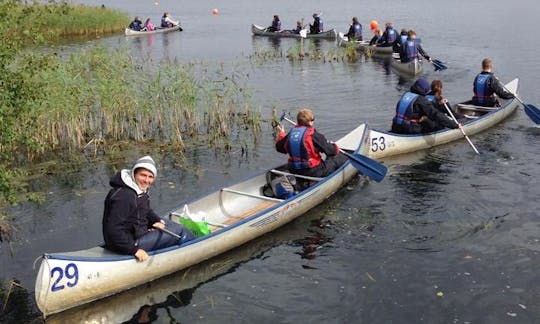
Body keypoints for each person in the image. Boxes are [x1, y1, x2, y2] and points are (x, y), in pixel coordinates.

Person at [102, 156, 195, 262]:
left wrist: (155, 221)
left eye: (150, 177)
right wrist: (134, 250)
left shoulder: (135, 188)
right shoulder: (125, 196)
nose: (146, 180)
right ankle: (198, 246)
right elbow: (113, 230)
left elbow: (145, 210)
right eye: (143, 175)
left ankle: (177, 245)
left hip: (133, 234)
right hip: (128, 243)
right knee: (180, 230)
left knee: (166, 223)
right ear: (134, 173)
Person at [275, 109, 347, 178]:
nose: (313, 122)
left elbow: (279, 148)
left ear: (298, 122)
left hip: (294, 170)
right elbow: (332, 151)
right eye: (313, 120)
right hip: (313, 171)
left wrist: (281, 134)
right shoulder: (313, 135)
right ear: (310, 122)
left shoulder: (290, 134)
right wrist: (335, 146)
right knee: (335, 158)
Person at [391, 78, 460, 134]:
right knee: (438, 124)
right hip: (409, 129)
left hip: (395, 126)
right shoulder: (421, 100)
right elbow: (436, 114)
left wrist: (438, 105)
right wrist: (454, 125)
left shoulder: (405, 95)